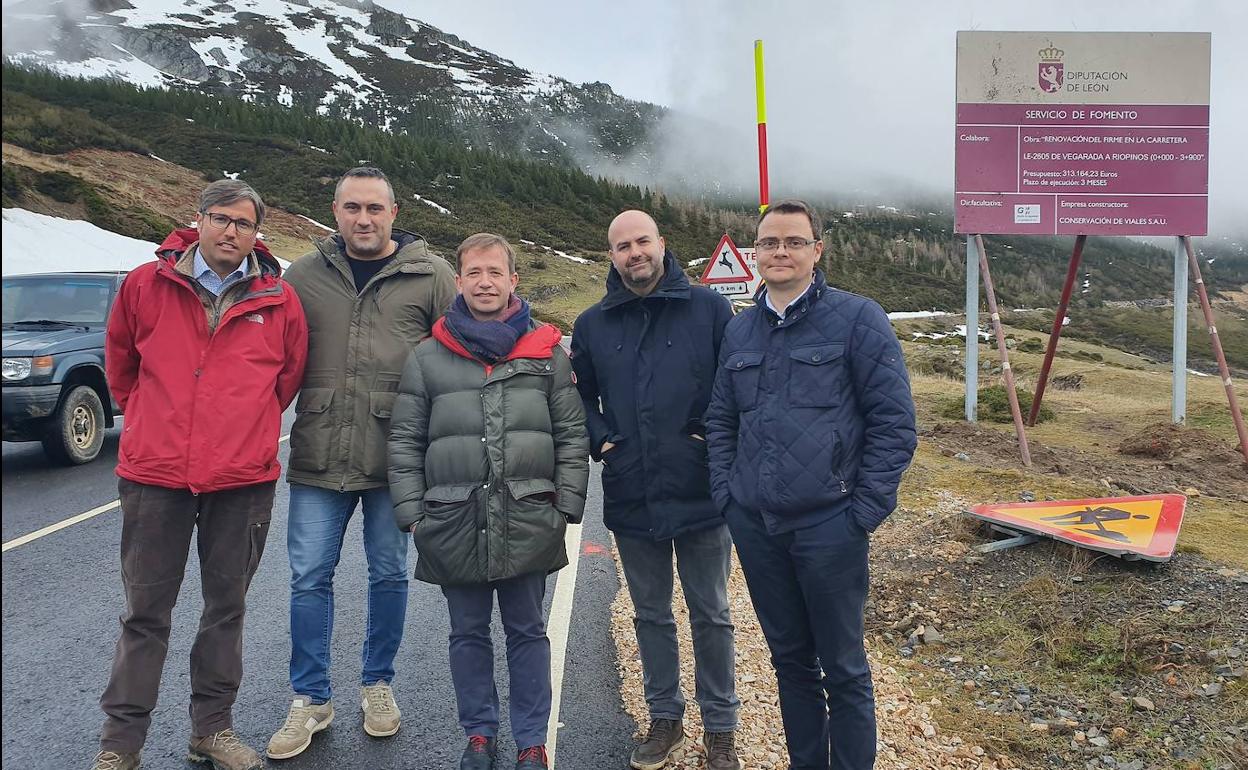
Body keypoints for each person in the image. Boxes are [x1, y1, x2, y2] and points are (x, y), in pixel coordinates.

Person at [94, 179, 308, 770]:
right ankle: (120, 744)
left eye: (243, 223)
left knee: (226, 608)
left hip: (241, 480)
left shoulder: (279, 300)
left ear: (255, 233)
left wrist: (245, 427)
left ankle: (211, 730)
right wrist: (150, 421)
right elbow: (122, 366)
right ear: (199, 220)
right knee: (144, 613)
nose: (231, 231)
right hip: (154, 476)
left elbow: (285, 380)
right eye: (220, 219)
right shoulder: (146, 283)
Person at [706, 199, 917, 770]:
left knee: (844, 666)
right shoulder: (741, 329)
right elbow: (721, 419)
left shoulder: (857, 318)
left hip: (831, 525)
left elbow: (894, 424)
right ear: (755, 253)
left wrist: (863, 512)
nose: (780, 251)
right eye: (769, 242)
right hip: (757, 526)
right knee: (790, 664)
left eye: (794, 242)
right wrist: (728, 498)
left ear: (816, 251)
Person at [266, 167, 456, 760]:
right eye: (352, 208)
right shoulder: (302, 275)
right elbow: (270, 355)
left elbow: (465, 349)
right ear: (336, 210)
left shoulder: (432, 275)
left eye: (375, 208)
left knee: (390, 574)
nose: (364, 219)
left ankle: (378, 685)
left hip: (396, 460)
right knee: (307, 578)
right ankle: (310, 698)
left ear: (394, 213)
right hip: (318, 455)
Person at [388, 233, 589, 770]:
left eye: (495, 273)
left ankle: (531, 741)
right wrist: (412, 513)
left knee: (527, 631)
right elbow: (405, 438)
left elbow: (572, 435)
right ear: (459, 280)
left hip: (528, 515)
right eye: (474, 273)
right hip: (453, 518)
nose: (484, 282)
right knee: (467, 632)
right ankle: (479, 734)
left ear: (512, 281)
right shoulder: (428, 358)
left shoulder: (547, 355)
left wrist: (565, 508)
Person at [571, 210, 741, 770]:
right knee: (650, 613)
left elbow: (733, 388)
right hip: (631, 490)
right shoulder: (593, 325)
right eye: (622, 246)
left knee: (711, 611)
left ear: (661, 245)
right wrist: (604, 443)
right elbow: (580, 399)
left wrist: (706, 439)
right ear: (612, 255)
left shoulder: (711, 311)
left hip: (701, 488)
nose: (634, 252)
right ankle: (664, 717)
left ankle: (720, 726)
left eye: (642, 241)